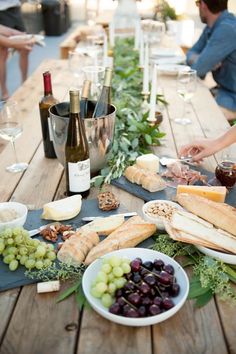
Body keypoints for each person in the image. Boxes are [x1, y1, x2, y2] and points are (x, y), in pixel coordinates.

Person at [186, 0, 236, 121]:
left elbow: (198, 69)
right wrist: (202, 59)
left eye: (197, 3)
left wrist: (202, 61)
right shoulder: (212, 26)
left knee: (195, 117)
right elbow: (190, 54)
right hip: (223, 91)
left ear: (203, 5)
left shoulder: (227, 28)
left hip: (232, 97)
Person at [0, 1, 34, 100]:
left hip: (15, 9)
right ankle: (4, 91)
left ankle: (24, 82)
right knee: (2, 53)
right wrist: (11, 42)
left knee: (25, 47)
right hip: (1, 11)